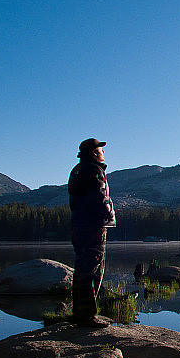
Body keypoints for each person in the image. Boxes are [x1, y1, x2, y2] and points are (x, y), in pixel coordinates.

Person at [68, 138, 116, 327]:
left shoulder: (78, 170)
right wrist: (109, 213)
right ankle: (87, 316)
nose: (103, 152)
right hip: (93, 225)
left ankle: (81, 312)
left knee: (83, 268)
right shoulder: (93, 170)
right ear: (94, 152)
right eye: (100, 149)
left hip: (80, 225)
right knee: (92, 268)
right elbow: (99, 197)